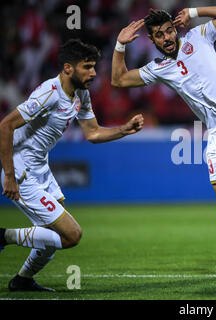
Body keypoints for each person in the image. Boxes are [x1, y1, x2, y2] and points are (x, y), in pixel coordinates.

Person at [111, 6, 216, 278]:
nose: (167, 37)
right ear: (153, 40)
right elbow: (119, 79)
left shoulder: (199, 36)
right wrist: (120, 45)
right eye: (160, 35)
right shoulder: (159, 68)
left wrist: (194, 11)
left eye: (169, 30)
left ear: (175, 29)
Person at [0, 39, 144, 291]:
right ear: (68, 68)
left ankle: (22, 280)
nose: (94, 73)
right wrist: (10, 176)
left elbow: (93, 133)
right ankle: (4, 236)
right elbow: (5, 126)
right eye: (87, 67)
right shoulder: (48, 94)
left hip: (40, 168)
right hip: (21, 170)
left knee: (55, 234)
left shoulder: (81, 94)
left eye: (94, 66)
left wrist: (124, 130)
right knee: (70, 235)